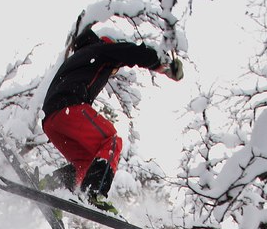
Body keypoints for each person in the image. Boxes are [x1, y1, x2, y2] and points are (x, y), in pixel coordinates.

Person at [41, 26, 183, 206]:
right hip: (68, 108)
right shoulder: (102, 49)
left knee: (87, 163)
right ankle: (94, 194)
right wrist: (163, 65)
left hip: (51, 121)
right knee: (110, 140)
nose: (114, 71)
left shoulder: (81, 58)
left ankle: (50, 186)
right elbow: (131, 53)